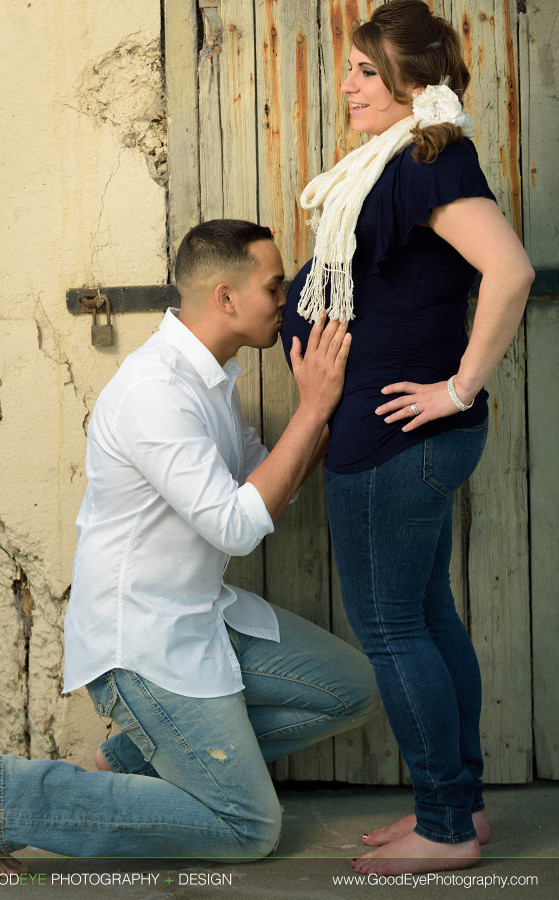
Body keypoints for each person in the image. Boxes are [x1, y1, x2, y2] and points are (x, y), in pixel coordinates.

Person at [0, 219, 380, 873]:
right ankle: (18, 794)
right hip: (141, 641)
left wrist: (334, 411)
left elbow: (270, 484)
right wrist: (310, 410)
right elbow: (235, 527)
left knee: (353, 688)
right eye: (274, 286)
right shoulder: (155, 393)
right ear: (225, 297)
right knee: (248, 828)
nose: (286, 300)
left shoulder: (211, 379)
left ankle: (134, 754)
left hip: (202, 614)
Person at [280, 0, 534, 877]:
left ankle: (445, 826)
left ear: (409, 81)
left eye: (363, 71)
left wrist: (458, 388)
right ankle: (456, 808)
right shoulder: (401, 160)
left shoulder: (433, 163)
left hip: (396, 440)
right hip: (394, 439)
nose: (345, 85)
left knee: (391, 628)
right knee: (424, 618)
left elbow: (509, 270)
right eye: (350, 69)